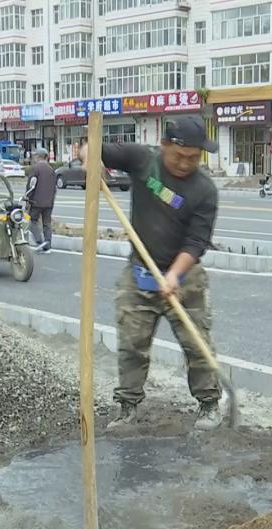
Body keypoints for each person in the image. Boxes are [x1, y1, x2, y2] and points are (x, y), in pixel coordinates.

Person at [81, 115, 223, 430]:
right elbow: (92, 146)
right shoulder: (143, 161)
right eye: (179, 156)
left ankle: (209, 404)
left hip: (185, 279)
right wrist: (90, 160)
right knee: (132, 345)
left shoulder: (204, 190)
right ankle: (127, 407)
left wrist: (174, 275)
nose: (186, 164)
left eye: (194, 158)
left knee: (197, 345)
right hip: (139, 275)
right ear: (164, 145)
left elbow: (197, 241)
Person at [24, 147, 56, 253]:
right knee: (47, 223)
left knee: (32, 220)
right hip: (49, 202)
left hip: (36, 201)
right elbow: (54, 187)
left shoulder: (36, 169)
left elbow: (30, 186)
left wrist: (28, 200)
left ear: (38, 157)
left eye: (35, 156)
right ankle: (48, 245)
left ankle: (39, 241)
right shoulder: (51, 170)